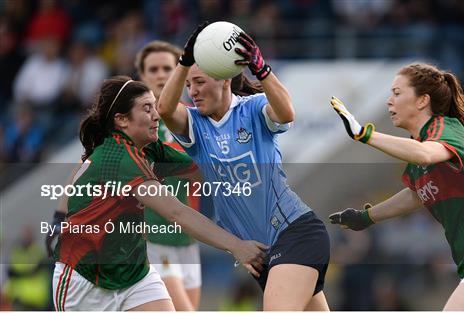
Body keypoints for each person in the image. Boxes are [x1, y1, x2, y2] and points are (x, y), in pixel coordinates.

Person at [329, 63, 464, 311]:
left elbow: (426, 155)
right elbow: (416, 194)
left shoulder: (444, 130)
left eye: (397, 93)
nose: (388, 102)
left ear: (421, 101)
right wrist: (367, 217)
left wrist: (365, 134)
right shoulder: (421, 146)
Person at [52, 76, 266, 311]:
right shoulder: (118, 158)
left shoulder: (149, 148)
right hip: (85, 281)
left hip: (134, 274)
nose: (156, 115)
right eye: (147, 109)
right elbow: (176, 213)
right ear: (122, 120)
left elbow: (205, 174)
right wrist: (236, 245)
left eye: (155, 107)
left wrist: (235, 126)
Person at [157, 23, 330, 311]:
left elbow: (287, 112)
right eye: (189, 84)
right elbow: (165, 109)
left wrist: (261, 68)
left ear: (224, 78)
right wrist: (185, 62)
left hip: (294, 233)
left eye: (199, 82)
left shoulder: (252, 108)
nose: (193, 91)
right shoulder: (195, 126)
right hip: (262, 254)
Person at [135, 40, 202, 310]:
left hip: (187, 237)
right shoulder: (133, 123)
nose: (161, 75)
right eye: (154, 69)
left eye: (168, 68)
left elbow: (201, 178)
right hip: (153, 236)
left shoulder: (193, 119)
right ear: (142, 76)